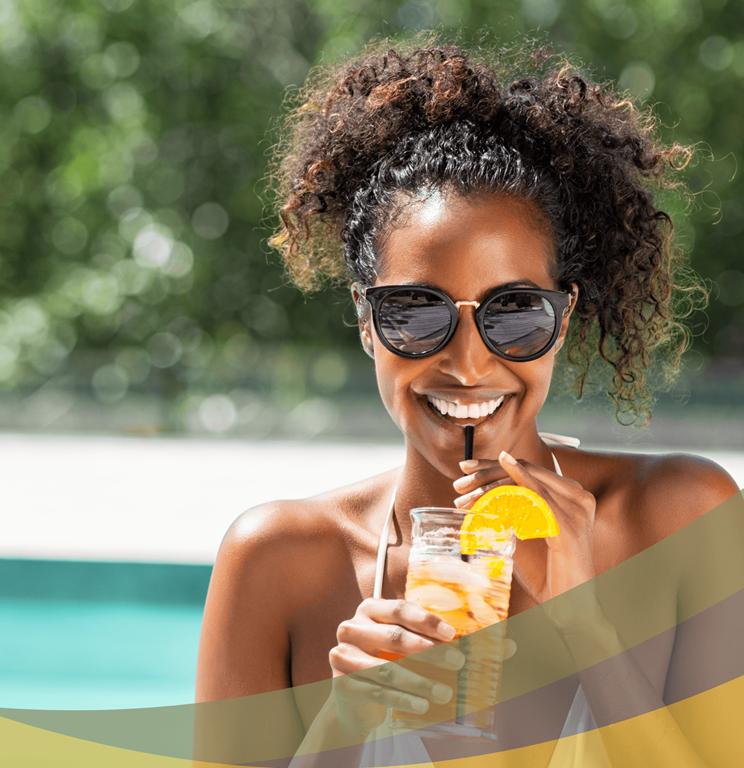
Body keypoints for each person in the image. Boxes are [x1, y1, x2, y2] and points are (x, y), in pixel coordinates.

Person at [193, 38, 743, 767]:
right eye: (415, 313)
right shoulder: (279, 564)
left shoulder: (681, 519)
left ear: (564, 319)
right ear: (366, 321)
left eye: (514, 311)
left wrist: (589, 630)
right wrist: (343, 727)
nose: (466, 361)